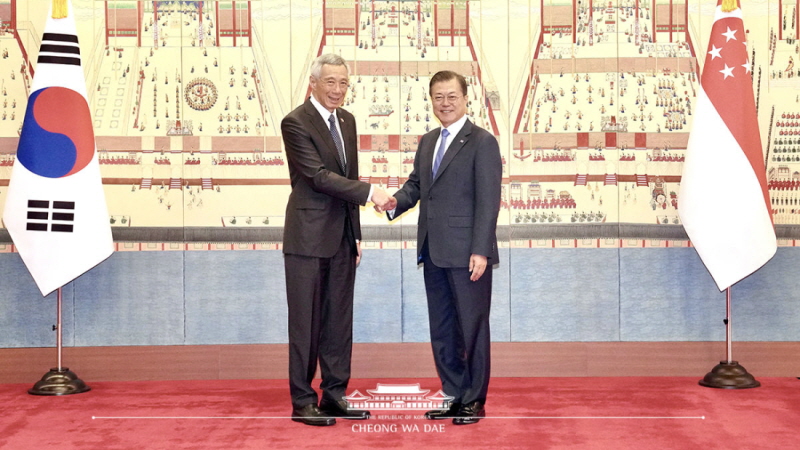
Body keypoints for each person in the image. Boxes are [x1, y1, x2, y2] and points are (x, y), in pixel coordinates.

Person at [378, 70, 502, 425]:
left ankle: (474, 400)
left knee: (472, 328)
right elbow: (416, 185)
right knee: (444, 329)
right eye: (438, 97)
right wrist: (394, 202)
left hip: (468, 255)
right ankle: (453, 395)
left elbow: (488, 200)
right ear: (431, 100)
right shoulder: (429, 141)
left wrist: (481, 250)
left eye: (452, 96)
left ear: (466, 99)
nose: (445, 103)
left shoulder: (482, 141)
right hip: (433, 251)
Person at [281, 54, 391, 426]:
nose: (337, 90)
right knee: (306, 324)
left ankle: (334, 395)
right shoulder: (295, 122)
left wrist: (355, 234)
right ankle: (302, 400)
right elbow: (317, 176)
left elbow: (349, 175)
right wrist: (371, 192)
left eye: (343, 83)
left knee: (338, 323)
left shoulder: (347, 121)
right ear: (313, 82)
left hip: (342, 239)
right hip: (307, 239)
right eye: (330, 82)